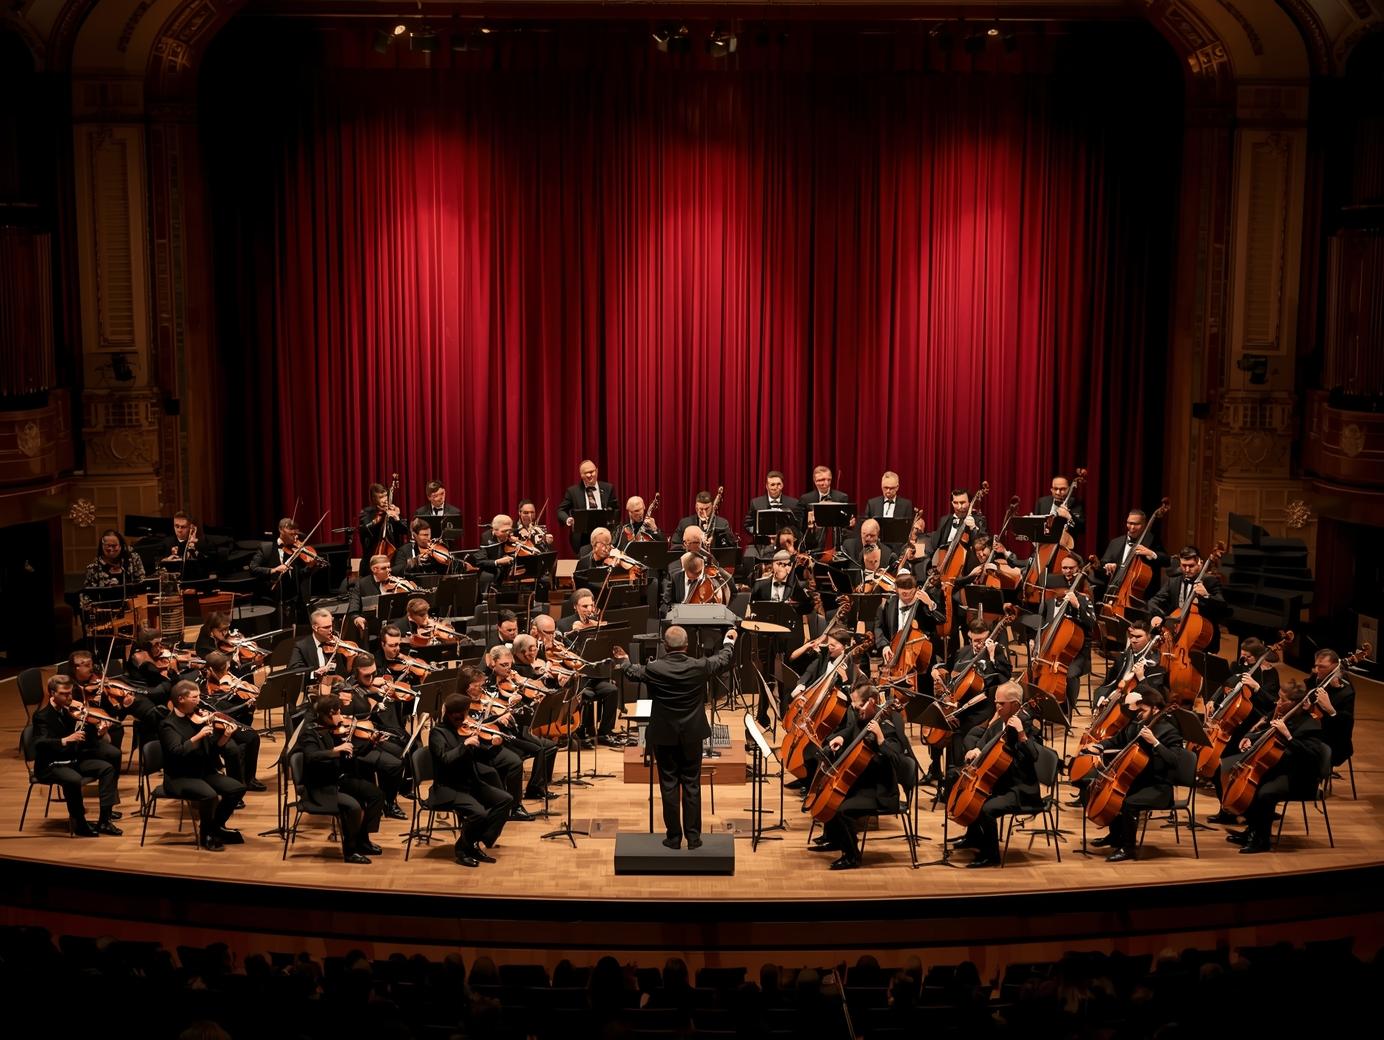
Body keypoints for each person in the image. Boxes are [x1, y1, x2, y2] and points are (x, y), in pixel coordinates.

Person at [612, 625, 738, 850]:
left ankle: (673, 838)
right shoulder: (699, 665)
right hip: (692, 734)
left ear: (665, 645)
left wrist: (624, 659)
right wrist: (729, 640)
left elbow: (632, 672)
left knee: (669, 784)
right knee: (692, 784)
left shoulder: (654, 668)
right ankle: (694, 838)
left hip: (663, 734)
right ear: (687, 646)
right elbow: (723, 659)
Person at [811, 680, 915, 870]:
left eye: (859, 705)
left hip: (880, 792)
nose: (855, 708)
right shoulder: (864, 719)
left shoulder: (889, 726)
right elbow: (852, 730)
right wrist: (841, 737)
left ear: (872, 702)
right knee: (830, 794)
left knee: (842, 808)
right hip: (864, 784)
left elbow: (900, 762)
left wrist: (881, 740)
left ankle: (852, 857)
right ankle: (836, 840)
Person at [1223, 679, 1330, 854]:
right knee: (1252, 782)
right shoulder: (1283, 714)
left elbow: (1311, 757)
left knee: (1265, 792)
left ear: (1296, 704)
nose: (1277, 702)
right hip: (1281, 769)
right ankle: (1252, 831)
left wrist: (1288, 737)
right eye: (1278, 698)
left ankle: (1261, 840)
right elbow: (1262, 728)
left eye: (1282, 699)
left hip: (1301, 778)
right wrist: (1250, 737)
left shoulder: (1311, 725)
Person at [1085, 687, 1183, 862]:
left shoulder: (1170, 731)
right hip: (1138, 780)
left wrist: (1155, 742)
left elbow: (1175, 762)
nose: (1139, 714)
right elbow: (1118, 739)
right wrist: (1100, 746)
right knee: (1115, 796)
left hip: (1159, 786)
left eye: (1143, 710)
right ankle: (1115, 837)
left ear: (1156, 709)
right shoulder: (1138, 723)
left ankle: (1128, 848)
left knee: (1128, 802)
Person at [953, 681, 1044, 867]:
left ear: (1016, 705)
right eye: (996, 702)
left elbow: (1035, 755)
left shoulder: (1027, 725)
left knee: (986, 808)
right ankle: (974, 838)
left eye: (1002, 703)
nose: (997, 706)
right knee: (962, 786)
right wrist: (976, 750)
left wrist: (1021, 735)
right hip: (1001, 782)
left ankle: (991, 855)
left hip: (1019, 789)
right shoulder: (999, 722)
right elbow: (984, 742)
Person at [158, 679, 246, 852]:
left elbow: (212, 749)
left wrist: (225, 737)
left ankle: (215, 827)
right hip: (179, 776)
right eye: (195, 697)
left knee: (237, 788)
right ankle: (206, 834)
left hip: (203, 771)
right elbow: (176, 751)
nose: (199, 701)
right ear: (181, 699)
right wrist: (198, 736)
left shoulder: (198, 718)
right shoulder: (168, 724)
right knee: (210, 796)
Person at [31, 675, 122, 837]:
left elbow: (84, 738)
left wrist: (99, 731)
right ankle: (79, 822)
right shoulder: (42, 716)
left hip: (73, 759)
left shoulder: (71, 711)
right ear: (52, 693)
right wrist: (65, 740)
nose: (69, 697)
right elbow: (40, 743)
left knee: (107, 768)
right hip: (51, 764)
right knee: (73, 779)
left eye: (70, 693)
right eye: (64, 694)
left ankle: (105, 819)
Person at [298, 697, 385, 864]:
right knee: (353, 807)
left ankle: (363, 840)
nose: (341, 716)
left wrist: (371, 744)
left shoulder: (334, 730)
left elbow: (352, 755)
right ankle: (350, 851)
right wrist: (335, 750)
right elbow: (311, 757)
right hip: (321, 786)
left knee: (376, 794)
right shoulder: (310, 732)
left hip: (338, 779)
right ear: (327, 715)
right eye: (337, 713)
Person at [429, 692, 513, 867]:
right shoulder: (438, 733)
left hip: (470, 782)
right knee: (479, 813)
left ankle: (475, 841)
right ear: (453, 715)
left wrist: (494, 746)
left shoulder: (464, 729)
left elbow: (482, 756)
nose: (466, 718)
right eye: (463, 713)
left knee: (505, 800)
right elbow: (444, 760)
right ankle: (463, 848)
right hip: (448, 787)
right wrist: (464, 745)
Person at [1148, 545, 1231, 654]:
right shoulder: (1175, 580)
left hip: (1201, 638)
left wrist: (1206, 596)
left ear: (1199, 563)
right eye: (1184, 565)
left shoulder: (1210, 581)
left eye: (1191, 566)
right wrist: (1157, 615)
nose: (1186, 570)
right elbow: (1154, 600)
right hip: (1177, 633)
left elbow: (1223, 608)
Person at [557, 460, 617, 551]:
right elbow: (561, 511)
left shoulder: (608, 488)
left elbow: (616, 509)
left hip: (604, 534)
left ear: (596, 471)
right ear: (581, 475)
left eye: (591, 472)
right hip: (582, 537)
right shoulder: (573, 491)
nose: (589, 475)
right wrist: (567, 519)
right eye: (586, 473)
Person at [927, 489, 987, 561]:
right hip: (943, 560)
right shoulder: (945, 520)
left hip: (966, 561)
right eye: (955, 503)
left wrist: (973, 528)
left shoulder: (979, 520)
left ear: (970, 503)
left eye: (962, 503)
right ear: (952, 503)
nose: (959, 507)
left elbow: (983, 546)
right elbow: (935, 543)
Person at [743, 471, 799, 545]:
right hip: (762, 545)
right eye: (772, 485)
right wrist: (759, 533)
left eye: (779, 484)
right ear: (767, 486)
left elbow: (798, 527)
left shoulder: (793, 503)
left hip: (786, 545)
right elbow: (748, 525)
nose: (775, 487)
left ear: (783, 485)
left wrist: (786, 535)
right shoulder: (756, 503)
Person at [358, 481, 408, 559]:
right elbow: (365, 530)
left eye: (385, 496)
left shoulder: (392, 510)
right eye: (381, 497)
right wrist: (381, 515)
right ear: (374, 499)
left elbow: (405, 530)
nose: (385, 500)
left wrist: (397, 518)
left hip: (394, 554)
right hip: (373, 555)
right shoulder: (366, 512)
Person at [1032, 474, 1084, 539]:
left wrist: (1069, 516)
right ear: (1051, 489)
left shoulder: (1077, 503)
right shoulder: (1042, 502)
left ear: (1069, 489)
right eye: (1055, 489)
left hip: (1066, 545)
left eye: (1063, 489)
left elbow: (1082, 529)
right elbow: (1035, 527)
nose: (1058, 492)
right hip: (1044, 544)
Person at [159, 511, 205, 577]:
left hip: (194, 582)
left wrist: (193, 548)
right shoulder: (166, 543)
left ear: (191, 527)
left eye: (183, 527)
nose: (179, 530)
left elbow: (205, 564)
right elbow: (156, 562)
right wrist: (166, 560)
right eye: (176, 526)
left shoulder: (201, 543)